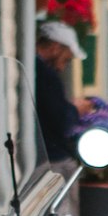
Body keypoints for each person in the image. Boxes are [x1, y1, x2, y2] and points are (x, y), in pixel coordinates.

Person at [35, 21, 85, 161]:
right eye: (66, 59)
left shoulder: (36, 70)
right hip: (49, 157)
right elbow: (60, 122)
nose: (62, 68)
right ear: (56, 48)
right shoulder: (45, 75)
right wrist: (75, 109)